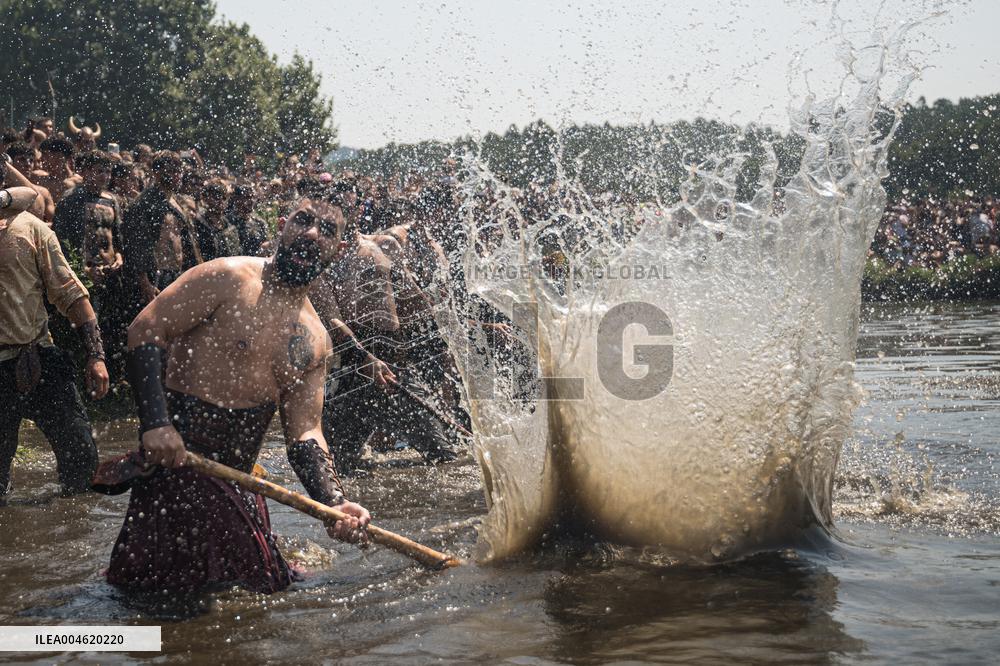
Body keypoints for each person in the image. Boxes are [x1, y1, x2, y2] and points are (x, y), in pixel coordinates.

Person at [102, 188, 370, 594]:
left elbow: (305, 431)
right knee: (156, 593)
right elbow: (146, 329)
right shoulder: (227, 276)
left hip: (239, 479)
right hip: (177, 462)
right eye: (303, 220)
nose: (313, 233)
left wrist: (334, 503)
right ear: (282, 227)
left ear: (339, 249)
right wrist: (156, 425)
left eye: (328, 229)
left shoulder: (317, 339)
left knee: (261, 587)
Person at [0, 167, 109, 499]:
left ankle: (75, 521)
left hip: (37, 358)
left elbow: (71, 295)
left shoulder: (30, 228)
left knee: (82, 463)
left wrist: (96, 356)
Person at [53, 150, 130, 378]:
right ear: (85, 172)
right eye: (99, 171)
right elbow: (61, 242)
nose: (105, 176)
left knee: (112, 327)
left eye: (108, 172)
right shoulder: (70, 200)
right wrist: (82, 270)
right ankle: (84, 377)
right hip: (84, 275)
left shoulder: (112, 200)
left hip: (111, 273)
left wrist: (119, 257)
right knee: (86, 328)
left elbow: (117, 237)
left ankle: (112, 379)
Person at [122, 151, 202, 306]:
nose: (176, 175)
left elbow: (190, 243)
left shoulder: (178, 202)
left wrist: (197, 271)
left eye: (178, 170)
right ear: (156, 172)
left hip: (178, 273)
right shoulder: (144, 203)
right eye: (171, 171)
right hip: (156, 276)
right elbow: (135, 247)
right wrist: (145, 283)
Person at [4, 142, 55, 223]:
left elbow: (55, 223)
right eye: (22, 159)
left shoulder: (43, 192)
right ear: (11, 163)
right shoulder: (3, 191)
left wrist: (37, 226)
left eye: (31, 160)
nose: (28, 164)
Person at [193, 179, 242, 261]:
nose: (221, 201)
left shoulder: (229, 225)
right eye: (216, 197)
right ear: (205, 199)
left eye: (224, 198)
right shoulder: (199, 224)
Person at [36, 136, 81, 203]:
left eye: (45, 154)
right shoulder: (38, 178)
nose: (40, 158)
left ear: (59, 156)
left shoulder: (78, 183)